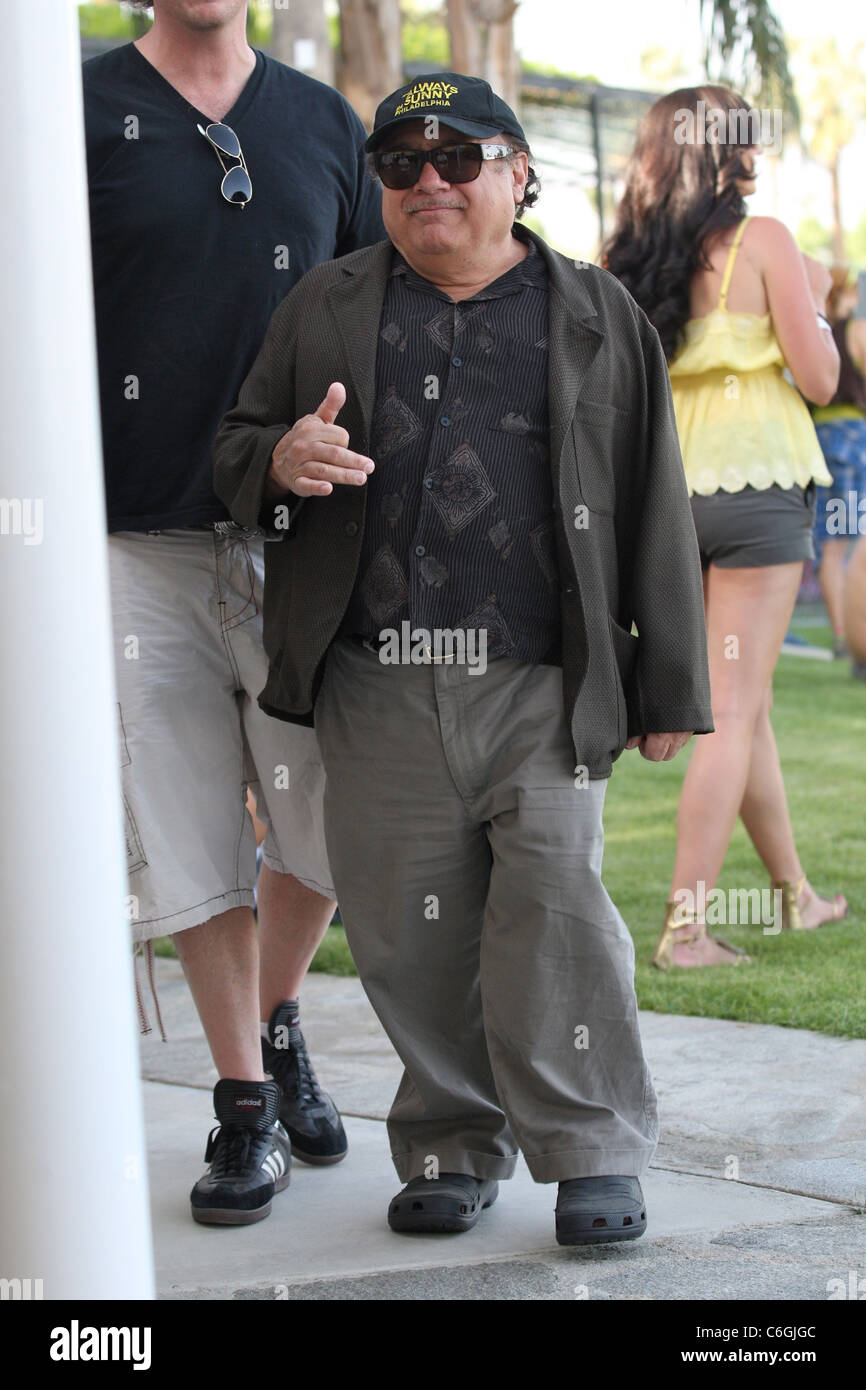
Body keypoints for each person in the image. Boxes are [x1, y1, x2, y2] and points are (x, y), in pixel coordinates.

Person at [213, 72, 714, 1245]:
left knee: (557, 911)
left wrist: (668, 684)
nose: (427, 180)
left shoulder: (594, 315)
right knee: (405, 930)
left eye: (458, 157)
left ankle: (589, 1147)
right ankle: (447, 1140)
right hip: (373, 680)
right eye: (399, 164)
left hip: (539, 679)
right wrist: (279, 461)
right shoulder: (323, 307)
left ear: (517, 172)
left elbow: (654, 503)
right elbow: (236, 450)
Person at [83, 0, 384, 1225]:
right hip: (133, 536)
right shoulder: (72, 120)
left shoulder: (322, 123)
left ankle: (274, 1010)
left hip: (299, 543)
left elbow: (384, 312)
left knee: (324, 822)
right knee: (188, 824)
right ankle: (243, 1101)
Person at [605, 86, 846, 967]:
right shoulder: (764, 242)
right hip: (759, 492)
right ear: (730, 153)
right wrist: (814, 301)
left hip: (672, 500)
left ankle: (795, 897)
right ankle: (686, 930)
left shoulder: (630, 257)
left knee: (752, 706)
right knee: (733, 708)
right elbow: (822, 380)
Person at [811, 268, 866, 662]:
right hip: (853, 438)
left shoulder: (818, 328)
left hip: (819, 439)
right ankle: (855, 637)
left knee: (833, 544)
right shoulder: (853, 330)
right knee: (853, 543)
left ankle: (842, 633)